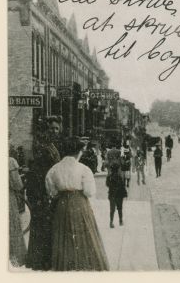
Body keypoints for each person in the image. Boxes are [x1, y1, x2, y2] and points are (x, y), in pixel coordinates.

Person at [45, 137, 109, 271]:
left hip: (61, 205)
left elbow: (51, 190)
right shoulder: (84, 169)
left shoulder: (53, 169)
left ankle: (66, 266)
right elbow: (89, 191)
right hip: (79, 203)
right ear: (79, 151)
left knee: (63, 236)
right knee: (83, 235)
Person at [25, 116, 62, 270]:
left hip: (47, 191)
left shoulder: (51, 145)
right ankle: (40, 261)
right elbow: (40, 171)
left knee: (45, 226)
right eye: (51, 128)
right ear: (46, 129)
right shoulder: (42, 146)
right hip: (41, 191)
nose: (54, 131)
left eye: (56, 128)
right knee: (42, 226)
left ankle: (43, 260)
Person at [9, 157, 27, 267]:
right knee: (12, 226)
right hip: (7, 197)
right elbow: (17, 184)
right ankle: (15, 259)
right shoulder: (10, 161)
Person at [106, 163, 127, 228]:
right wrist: (125, 193)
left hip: (112, 194)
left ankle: (111, 222)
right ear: (117, 170)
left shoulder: (109, 177)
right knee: (120, 208)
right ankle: (120, 221)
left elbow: (107, 184)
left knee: (112, 209)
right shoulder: (120, 176)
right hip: (119, 195)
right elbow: (123, 185)